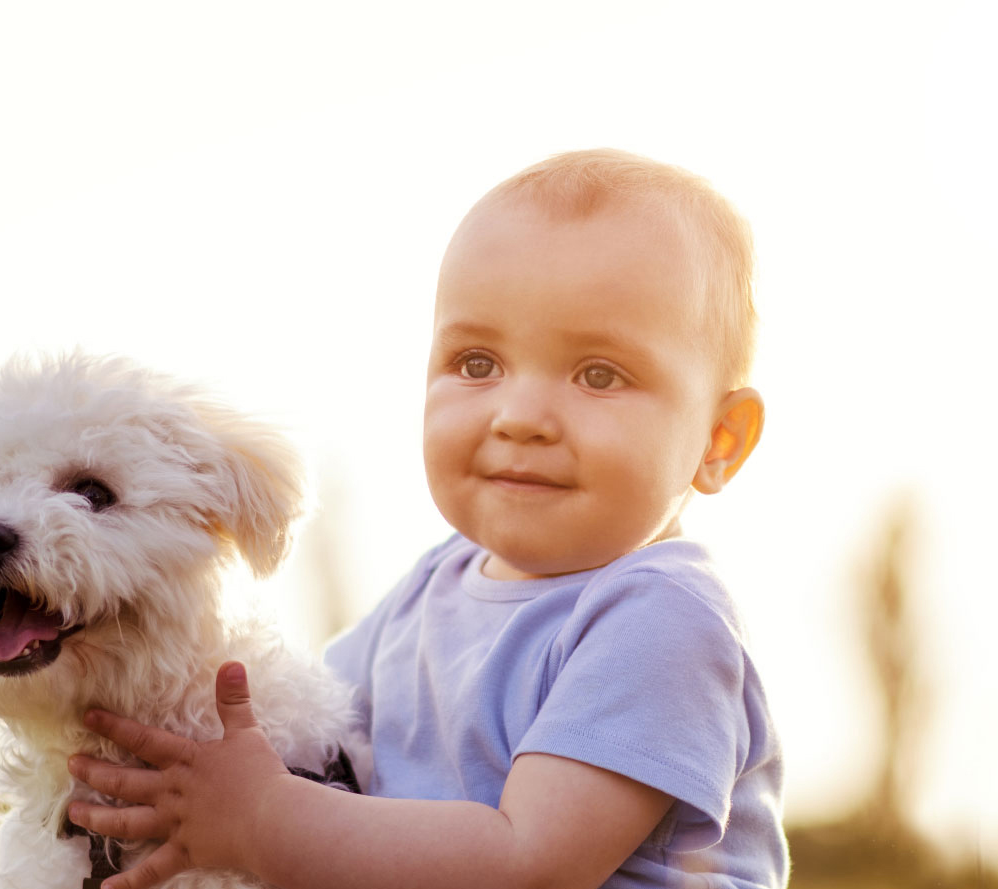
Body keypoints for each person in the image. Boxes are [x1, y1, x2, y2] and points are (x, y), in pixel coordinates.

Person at [65, 148, 787, 889]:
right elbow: (307, 727)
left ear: (717, 441)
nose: (518, 416)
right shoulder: (434, 584)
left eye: (597, 374)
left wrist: (262, 819)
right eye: (477, 363)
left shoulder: (660, 615)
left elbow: (527, 859)